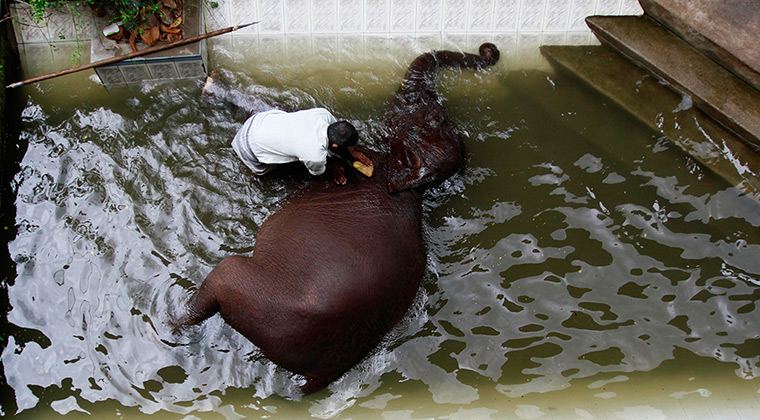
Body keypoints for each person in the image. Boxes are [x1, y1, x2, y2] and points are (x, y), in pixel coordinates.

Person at [231, 108, 372, 185]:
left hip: (257, 121)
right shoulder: (315, 155)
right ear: (334, 145)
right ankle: (252, 174)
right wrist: (331, 168)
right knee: (264, 173)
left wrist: (352, 153)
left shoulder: (323, 114)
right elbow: (318, 172)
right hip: (248, 147)